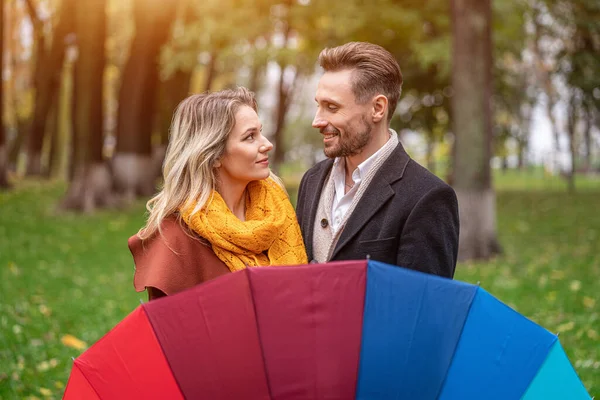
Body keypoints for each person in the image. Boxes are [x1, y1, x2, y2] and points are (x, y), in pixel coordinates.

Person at [295, 42, 459, 278]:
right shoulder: (312, 180)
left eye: (332, 107)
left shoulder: (428, 197)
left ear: (378, 108)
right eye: (318, 106)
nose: (317, 121)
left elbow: (423, 308)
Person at [129, 87, 307, 301]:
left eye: (261, 132)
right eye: (250, 137)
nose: (267, 144)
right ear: (213, 156)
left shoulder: (279, 214)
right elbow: (174, 330)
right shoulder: (176, 239)